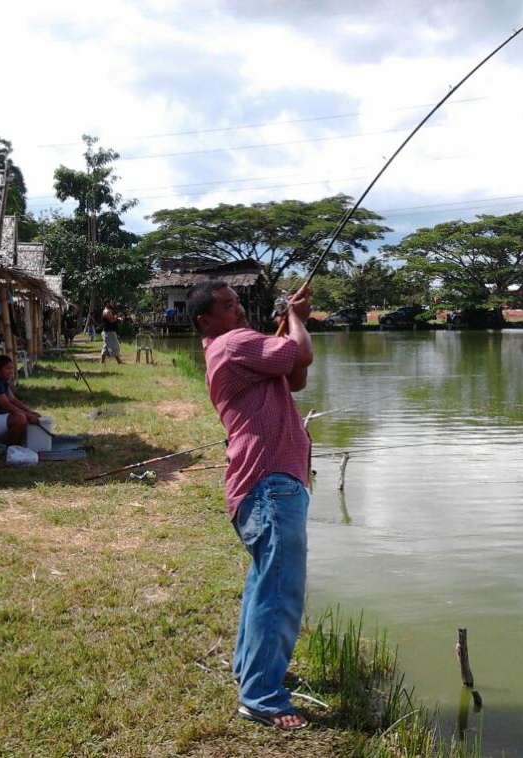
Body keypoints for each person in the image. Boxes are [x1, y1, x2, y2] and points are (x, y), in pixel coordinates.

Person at [186, 279, 313, 731]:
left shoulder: (230, 349)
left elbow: (294, 377)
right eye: (227, 306)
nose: (238, 311)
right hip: (269, 484)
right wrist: (295, 319)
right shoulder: (235, 344)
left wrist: (288, 328)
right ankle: (262, 697)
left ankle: (254, 671)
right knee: (279, 588)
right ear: (206, 320)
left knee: (266, 584)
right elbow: (301, 356)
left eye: (237, 303)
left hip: (263, 485)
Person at [0, 354, 41, 446]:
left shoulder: (2, 380)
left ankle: (18, 445)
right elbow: (6, 404)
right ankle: (12, 448)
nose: (11, 372)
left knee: (25, 416)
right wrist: (27, 415)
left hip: (0, 418)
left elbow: (12, 399)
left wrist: (29, 411)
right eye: (7, 369)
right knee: (20, 419)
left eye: (12, 368)